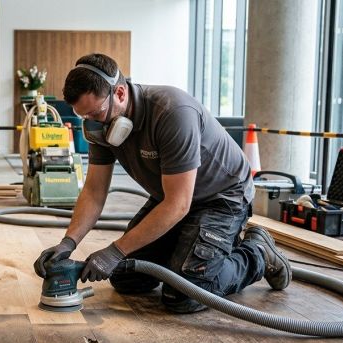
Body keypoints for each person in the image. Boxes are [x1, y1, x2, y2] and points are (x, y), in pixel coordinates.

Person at [33, 53, 291, 313]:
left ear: (119, 93)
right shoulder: (101, 125)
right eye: (83, 116)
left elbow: (179, 205)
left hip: (221, 198)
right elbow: (93, 192)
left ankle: (257, 252)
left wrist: (114, 251)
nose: (91, 123)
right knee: (126, 278)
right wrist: (69, 242)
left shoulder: (172, 113)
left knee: (184, 293)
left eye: (95, 113)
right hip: (169, 198)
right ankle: (194, 253)